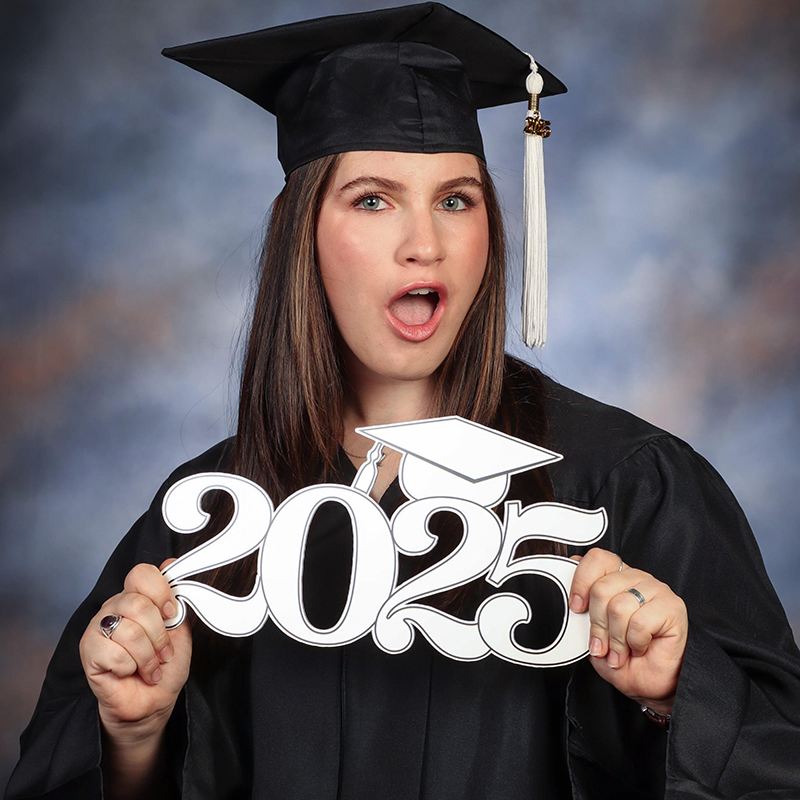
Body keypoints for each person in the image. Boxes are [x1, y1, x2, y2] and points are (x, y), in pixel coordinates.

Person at [6, 4, 800, 799]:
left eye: (456, 199)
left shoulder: (626, 484)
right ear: (300, 232)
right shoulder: (212, 519)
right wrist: (135, 737)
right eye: (374, 199)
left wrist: (678, 690)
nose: (426, 242)